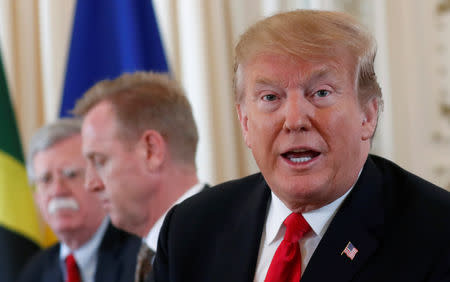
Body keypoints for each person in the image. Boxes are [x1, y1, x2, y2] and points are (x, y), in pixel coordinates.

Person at [150, 10, 450, 282]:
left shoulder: (437, 234)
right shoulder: (191, 229)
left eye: (320, 93)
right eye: (270, 97)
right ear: (244, 122)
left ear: (368, 115)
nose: (294, 120)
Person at [72, 72, 207, 281]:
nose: (90, 184)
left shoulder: (227, 244)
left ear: (151, 151)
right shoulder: (126, 260)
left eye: (99, 161)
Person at [18, 119, 141, 282]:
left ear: (99, 179)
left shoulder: (141, 254)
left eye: (70, 174)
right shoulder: (35, 272)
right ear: (36, 196)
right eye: (46, 179)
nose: (57, 190)